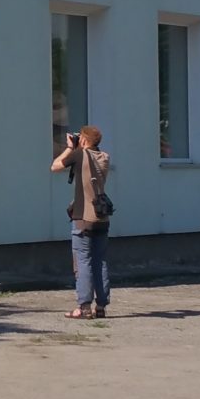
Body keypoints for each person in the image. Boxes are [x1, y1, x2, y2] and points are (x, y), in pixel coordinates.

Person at [51, 126, 113, 319]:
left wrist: (71, 147)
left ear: (84, 140)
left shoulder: (79, 154)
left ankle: (84, 307)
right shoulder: (104, 157)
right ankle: (101, 306)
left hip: (83, 217)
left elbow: (55, 166)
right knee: (100, 261)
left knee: (83, 261)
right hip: (101, 217)